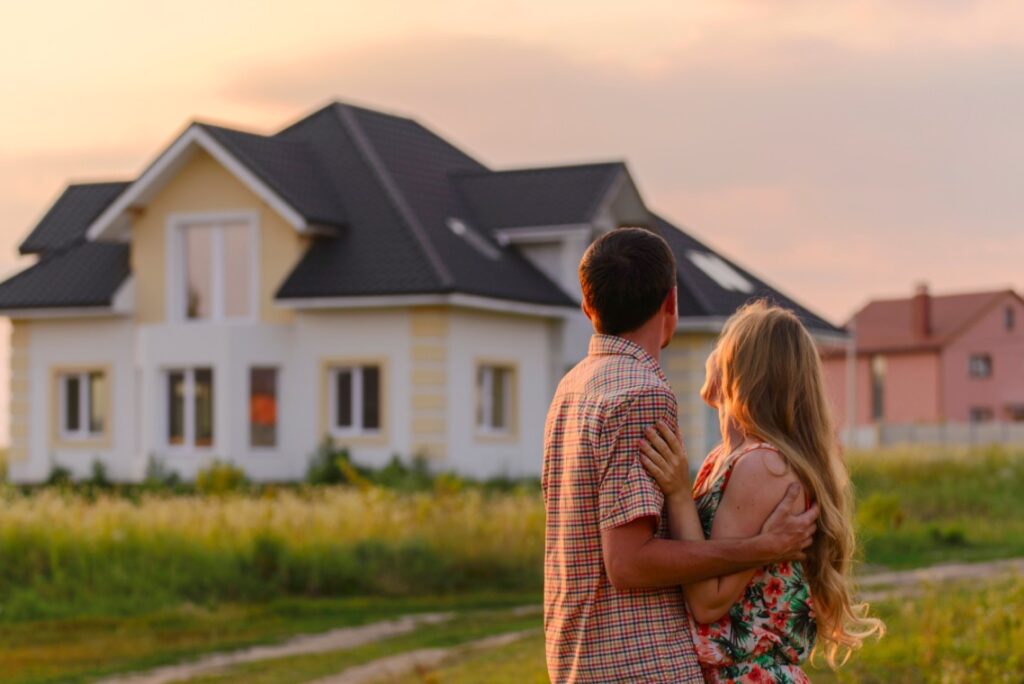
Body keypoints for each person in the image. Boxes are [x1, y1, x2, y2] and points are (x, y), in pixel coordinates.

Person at [543, 228, 820, 683]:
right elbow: (627, 563)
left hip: (578, 657)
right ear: (672, 302)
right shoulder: (641, 394)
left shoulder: (572, 388)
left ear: (587, 306)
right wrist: (764, 547)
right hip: (640, 663)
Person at [639, 301, 885, 682]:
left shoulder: (763, 466)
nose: (713, 350)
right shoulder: (726, 458)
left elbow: (708, 602)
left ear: (745, 369)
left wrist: (677, 494)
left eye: (726, 342)